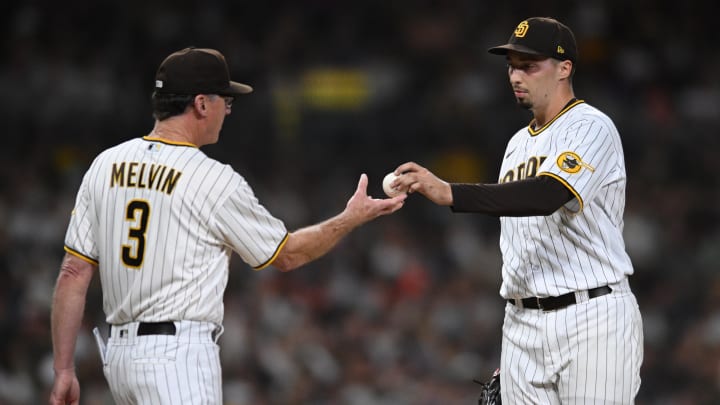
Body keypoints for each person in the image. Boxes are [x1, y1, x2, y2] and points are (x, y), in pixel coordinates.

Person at [49, 47, 406, 405]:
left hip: (119, 360)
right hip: (177, 358)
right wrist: (350, 219)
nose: (229, 109)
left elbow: (72, 273)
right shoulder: (212, 179)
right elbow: (288, 256)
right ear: (202, 104)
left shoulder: (104, 165)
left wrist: (64, 370)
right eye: (226, 100)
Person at [390, 17, 643, 404]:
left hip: (591, 317)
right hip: (523, 323)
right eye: (512, 65)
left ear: (564, 68)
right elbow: (520, 233)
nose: (515, 75)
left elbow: (548, 195)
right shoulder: (516, 144)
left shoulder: (591, 126)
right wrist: (518, 342)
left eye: (529, 65)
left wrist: (451, 193)